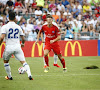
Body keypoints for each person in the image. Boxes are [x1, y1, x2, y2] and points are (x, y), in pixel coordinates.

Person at [0, 11, 33, 80]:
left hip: (9, 47)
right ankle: (29, 75)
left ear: (8, 18)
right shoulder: (18, 27)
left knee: (6, 61)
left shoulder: (4, 27)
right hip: (17, 47)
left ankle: (9, 76)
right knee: (23, 62)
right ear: (15, 18)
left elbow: (2, 37)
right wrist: (23, 44)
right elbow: (23, 38)